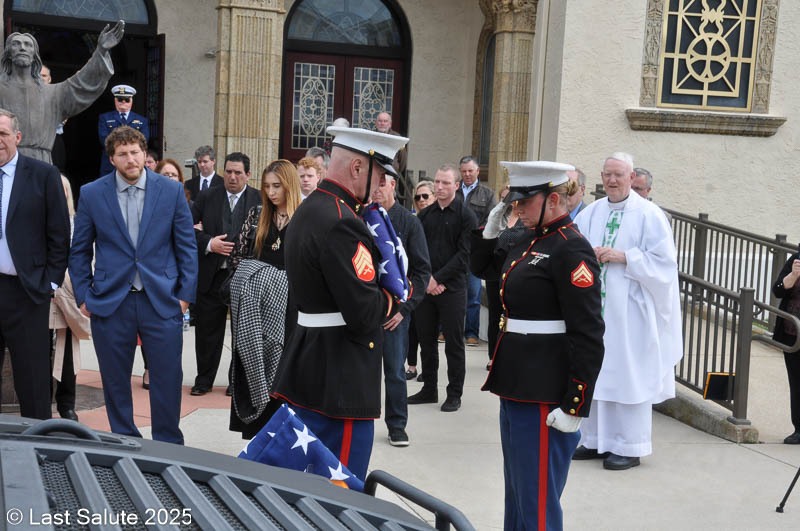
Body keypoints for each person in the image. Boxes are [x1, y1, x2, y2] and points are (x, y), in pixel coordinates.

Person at [471, 160, 605, 531]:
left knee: (537, 503)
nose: (518, 209)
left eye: (525, 201)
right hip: (516, 384)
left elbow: (588, 333)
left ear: (554, 199)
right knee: (517, 496)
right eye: (514, 201)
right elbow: (483, 268)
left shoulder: (571, 249)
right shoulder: (529, 239)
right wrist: (489, 232)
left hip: (545, 392)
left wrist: (575, 404)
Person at [271, 126, 408, 481]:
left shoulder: (312, 209)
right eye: (379, 174)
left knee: (305, 487)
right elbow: (365, 313)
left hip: (311, 366)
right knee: (339, 490)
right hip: (340, 381)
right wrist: (394, 295)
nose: (382, 185)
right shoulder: (343, 222)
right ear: (358, 167)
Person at [69, 125, 197, 444]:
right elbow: (80, 250)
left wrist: (184, 296)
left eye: (135, 152)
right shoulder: (92, 193)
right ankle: (125, 442)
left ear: (145, 154)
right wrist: (83, 296)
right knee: (115, 380)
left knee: (167, 378)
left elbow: (186, 247)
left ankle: (168, 445)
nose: (131, 159)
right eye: (123, 154)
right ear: (112, 159)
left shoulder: (170, 191)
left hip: (161, 299)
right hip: (112, 301)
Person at [573, 152, 683, 470]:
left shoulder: (650, 215)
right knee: (597, 372)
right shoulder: (591, 213)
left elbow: (665, 264)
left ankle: (630, 445)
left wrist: (625, 257)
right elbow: (572, 248)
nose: (612, 180)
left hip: (632, 313)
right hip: (597, 310)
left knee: (628, 376)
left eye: (618, 175)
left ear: (631, 177)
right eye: (607, 174)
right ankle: (594, 440)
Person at [0, 108, 70, 420]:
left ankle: (39, 441)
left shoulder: (43, 175)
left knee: (32, 380)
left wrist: (50, 284)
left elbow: (60, 234)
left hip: (27, 292)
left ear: (17, 137)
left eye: (2, 133)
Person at [228, 159, 301, 438]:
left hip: (292, 310)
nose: (271, 193)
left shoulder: (304, 218)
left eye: (277, 186)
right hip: (255, 307)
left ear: (289, 185)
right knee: (254, 361)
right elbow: (239, 258)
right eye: (267, 186)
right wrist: (259, 282)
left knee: (283, 373)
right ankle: (254, 437)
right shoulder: (258, 215)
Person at [0, 22, 124, 163]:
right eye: (16, 44)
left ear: (35, 56)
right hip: (5, 161)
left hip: (41, 163)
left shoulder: (52, 93)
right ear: (8, 54)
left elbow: (82, 84)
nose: (22, 48)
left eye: (28, 45)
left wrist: (101, 51)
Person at [190, 152, 261, 396]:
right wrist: (209, 243)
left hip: (244, 277)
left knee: (242, 333)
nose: (232, 177)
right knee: (207, 332)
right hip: (211, 276)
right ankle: (203, 380)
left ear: (248, 175)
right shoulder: (207, 196)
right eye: (228, 172)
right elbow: (185, 228)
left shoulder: (259, 200)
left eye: (238, 173)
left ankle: (236, 382)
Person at [409, 164, 477, 412]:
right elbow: (416, 250)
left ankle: (454, 393)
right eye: (437, 182)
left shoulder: (466, 217)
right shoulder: (425, 216)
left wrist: (438, 280)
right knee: (426, 340)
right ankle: (429, 388)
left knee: (453, 344)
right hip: (427, 288)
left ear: (457, 186)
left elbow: (464, 255)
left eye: (445, 183)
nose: (439, 187)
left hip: (453, 288)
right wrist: (427, 280)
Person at [372, 172, 431, 446]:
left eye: (382, 183)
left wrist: (404, 309)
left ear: (393, 185)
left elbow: (421, 271)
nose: (377, 189)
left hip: (396, 312)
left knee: (395, 371)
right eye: (374, 183)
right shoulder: (361, 218)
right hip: (365, 308)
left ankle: (397, 425)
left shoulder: (409, 222)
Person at [50, 174, 91, 422]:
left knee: (67, 352)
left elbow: (85, 257)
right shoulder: (37, 219)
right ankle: (44, 399)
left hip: (68, 293)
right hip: (42, 294)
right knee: (40, 350)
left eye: (62, 189)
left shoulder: (78, 223)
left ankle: (67, 404)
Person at [456, 155, 497, 347]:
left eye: (470, 171)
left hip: (474, 251)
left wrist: (474, 236)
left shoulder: (487, 194)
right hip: (454, 250)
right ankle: (445, 330)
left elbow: (491, 220)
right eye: (464, 171)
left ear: (478, 171)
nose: (467, 174)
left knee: (473, 294)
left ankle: (471, 333)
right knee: (450, 291)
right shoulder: (454, 191)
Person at [484, 185, 524, 370]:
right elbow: (488, 234)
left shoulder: (525, 218)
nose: (511, 202)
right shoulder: (499, 217)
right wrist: (502, 206)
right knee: (494, 315)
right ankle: (493, 355)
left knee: (511, 314)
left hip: (514, 273)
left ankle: (508, 354)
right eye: (506, 198)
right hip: (495, 273)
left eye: (513, 198)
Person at [406, 180, 435, 380]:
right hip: (413, 279)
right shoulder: (412, 220)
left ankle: (428, 369)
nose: (422, 200)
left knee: (428, 331)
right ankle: (411, 365)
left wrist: (434, 279)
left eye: (426, 196)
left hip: (433, 281)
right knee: (412, 328)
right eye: (418, 197)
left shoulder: (439, 220)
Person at [771, 251, 800, 444]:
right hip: (793, 335)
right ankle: (799, 429)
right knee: (796, 383)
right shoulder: (796, 259)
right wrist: (793, 275)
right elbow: (778, 290)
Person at [98, 84, 150, 176]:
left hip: (133, 162)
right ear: (115, 100)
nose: (123, 102)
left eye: (126, 100)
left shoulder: (142, 120)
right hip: (110, 163)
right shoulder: (105, 118)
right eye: (120, 99)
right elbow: (104, 139)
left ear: (131, 101)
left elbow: (144, 141)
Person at [39, 65, 67, 172]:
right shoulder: (25, 95)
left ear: (49, 78)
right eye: (38, 75)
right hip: (33, 141)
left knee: (56, 172)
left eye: (44, 75)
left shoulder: (58, 95)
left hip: (54, 139)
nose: (41, 78)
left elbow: (63, 118)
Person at [374, 111, 407, 177]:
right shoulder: (371, 136)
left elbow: (403, 160)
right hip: (374, 173)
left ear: (390, 124)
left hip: (391, 175)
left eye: (385, 121)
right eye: (380, 121)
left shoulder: (397, 138)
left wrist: (396, 170)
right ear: (376, 123)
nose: (382, 123)